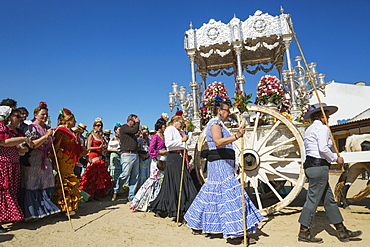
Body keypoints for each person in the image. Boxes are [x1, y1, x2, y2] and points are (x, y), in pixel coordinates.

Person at [184, 100, 264, 243]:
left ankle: (196, 221)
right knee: (230, 194)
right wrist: (236, 136)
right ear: (219, 110)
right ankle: (236, 231)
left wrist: (234, 164)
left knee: (212, 191)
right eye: (227, 110)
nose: (229, 113)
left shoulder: (218, 124)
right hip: (220, 164)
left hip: (223, 163)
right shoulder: (215, 124)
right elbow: (218, 142)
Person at [298, 103, 362, 243]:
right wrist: (335, 158)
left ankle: (341, 231)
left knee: (329, 201)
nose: (329, 118)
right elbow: (323, 148)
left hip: (311, 166)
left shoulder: (309, 130)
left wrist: (306, 165)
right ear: (321, 116)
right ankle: (303, 232)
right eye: (327, 116)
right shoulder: (322, 129)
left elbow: (304, 150)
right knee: (313, 200)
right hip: (319, 167)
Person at [148, 114, 198, 221]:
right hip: (174, 157)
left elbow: (187, 144)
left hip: (180, 157)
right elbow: (169, 144)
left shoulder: (180, 132)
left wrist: (187, 136)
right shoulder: (170, 129)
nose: (182, 124)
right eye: (181, 122)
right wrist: (182, 140)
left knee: (182, 180)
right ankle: (176, 207)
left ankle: (184, 205)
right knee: (176, 181)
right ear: (175, 122)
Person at [20, 102, 60, 220]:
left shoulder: (48, 129)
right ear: (36, 115)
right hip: (33, 160)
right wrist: (46, 136)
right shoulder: (31, 128)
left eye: (46, 114)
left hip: (45, 160)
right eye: (42, 114)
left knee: (47, 182)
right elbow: (32, 144)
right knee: (32, 184)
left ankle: (46, 209)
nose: (45, 117)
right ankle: (32, 212)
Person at [0, 106, 33, 233]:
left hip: (13, 164)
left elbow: (13, 146)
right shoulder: (2, 127)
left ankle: (6, 218)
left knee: (11, 192)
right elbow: (3, 142)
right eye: (17, 116)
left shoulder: (13, 130)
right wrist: (23, 139)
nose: (20, 119)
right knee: (3, 192)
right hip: (3, 164)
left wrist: (22, 148)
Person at [52, 108, 87, 215]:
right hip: (63, 160)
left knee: (69, 181)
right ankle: (63, 206)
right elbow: (56, 146)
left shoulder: (70, 131)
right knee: (64, 182)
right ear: (68, 120)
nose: (75, 122)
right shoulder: (60, 131)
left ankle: (69, 205)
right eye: (73, 120)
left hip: (70, 161)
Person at [130, 118, 167, 211]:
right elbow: (151, 150)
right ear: (161, 127)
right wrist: (160, 153)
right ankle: (138, 201)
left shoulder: (164, 136)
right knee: (152, 180)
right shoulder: (155, 137)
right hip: (156, 161)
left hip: (163, 161)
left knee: (159, 182)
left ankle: (152, 202)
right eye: (164, 126)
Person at [79, 118, 113, 200]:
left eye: (101, 125)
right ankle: (90, 195)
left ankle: (97, 194)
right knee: (92, 176)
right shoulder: (91, 135)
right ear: (94, 126)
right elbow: (88, 147)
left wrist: (104, 147)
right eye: (98, 125)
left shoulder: (100, 136)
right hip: (93, 157)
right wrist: (99, 147)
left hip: (100, 157)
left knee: (99, 177)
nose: (99, 127)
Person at [111, 114, 140, 202]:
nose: (135, 124)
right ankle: (116, 190)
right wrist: (138, 123)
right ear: (130, 120)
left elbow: (135, 131)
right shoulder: (124, 127)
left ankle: (131, 195)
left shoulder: (132, 131)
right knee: (125, 174)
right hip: (127, 154)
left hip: (135, 154)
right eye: (134, 121)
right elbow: (135, 130)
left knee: (135, 176)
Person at [107, 122, 124, 194]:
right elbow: (108, 148)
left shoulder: (122, 138)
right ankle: (112, 190)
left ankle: (118, 189)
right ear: (115, 130)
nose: (119, 131)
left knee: (120, 172)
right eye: (118, 129)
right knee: (113, 172)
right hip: (114, 155)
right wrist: (116, 150)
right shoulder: (112, 138)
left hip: (120, 156)